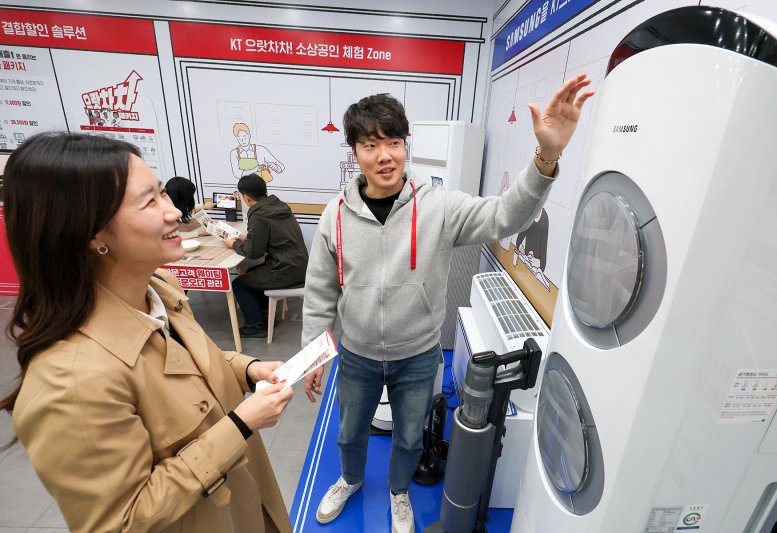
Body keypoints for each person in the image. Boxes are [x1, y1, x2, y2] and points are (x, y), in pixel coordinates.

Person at [301, 74, 594, 532]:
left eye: (394, 142)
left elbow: (504, 215)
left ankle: (399, 491)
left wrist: (546, 158)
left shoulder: (438, 207)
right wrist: (312, 355)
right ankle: (350, 479)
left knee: (409, 436)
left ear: (405, 145)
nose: (385, 155)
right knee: (349, 431)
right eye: (371, 145)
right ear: (355, 152)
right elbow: (320, 290)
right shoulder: (335, 216)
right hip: (356, 353)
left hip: (418, 354)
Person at [0, 133, 295, 533]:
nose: (173, 212)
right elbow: (121, 520)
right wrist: (240, 425)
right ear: (91, 234)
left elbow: (187, 363)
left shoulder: (160, 289)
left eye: (163, 193)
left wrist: (248, 369)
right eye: (149, 202)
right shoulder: (68, 381)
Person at [224, 174, 308, 338]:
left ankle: (255, 325)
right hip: (300, 265)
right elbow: (274, 237)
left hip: (285, 269)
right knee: (252, 273)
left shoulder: (258, 215)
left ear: (246, 197)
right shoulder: (280, 206)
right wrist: (248, 239)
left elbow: (254, 253)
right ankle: (265, 316)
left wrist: (233, 244)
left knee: (240, 284)